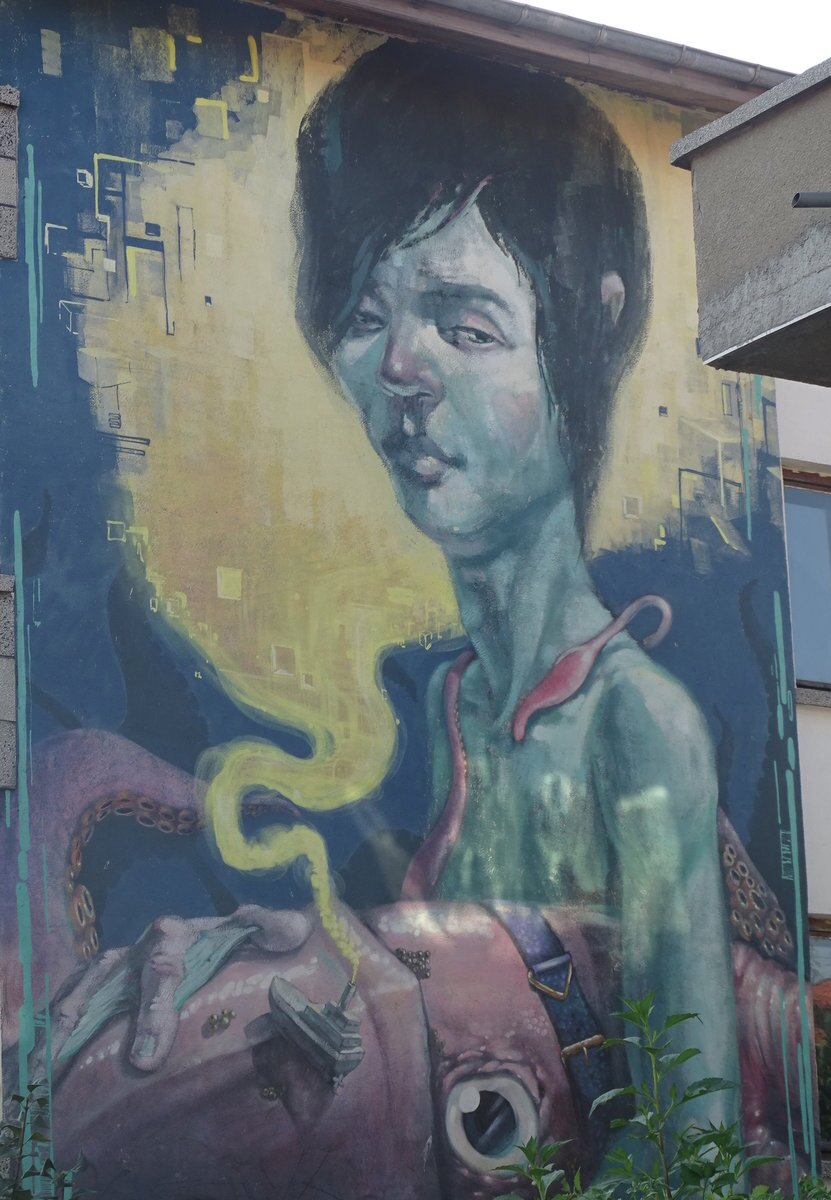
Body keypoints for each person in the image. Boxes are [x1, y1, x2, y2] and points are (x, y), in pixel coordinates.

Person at [45, 38, 738, 1168]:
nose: (401, 372)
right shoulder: (450, 702)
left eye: (465, 325)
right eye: (366, 316)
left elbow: (695, 1149)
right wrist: (320, 962)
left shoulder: (637, 725)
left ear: (596, 325)